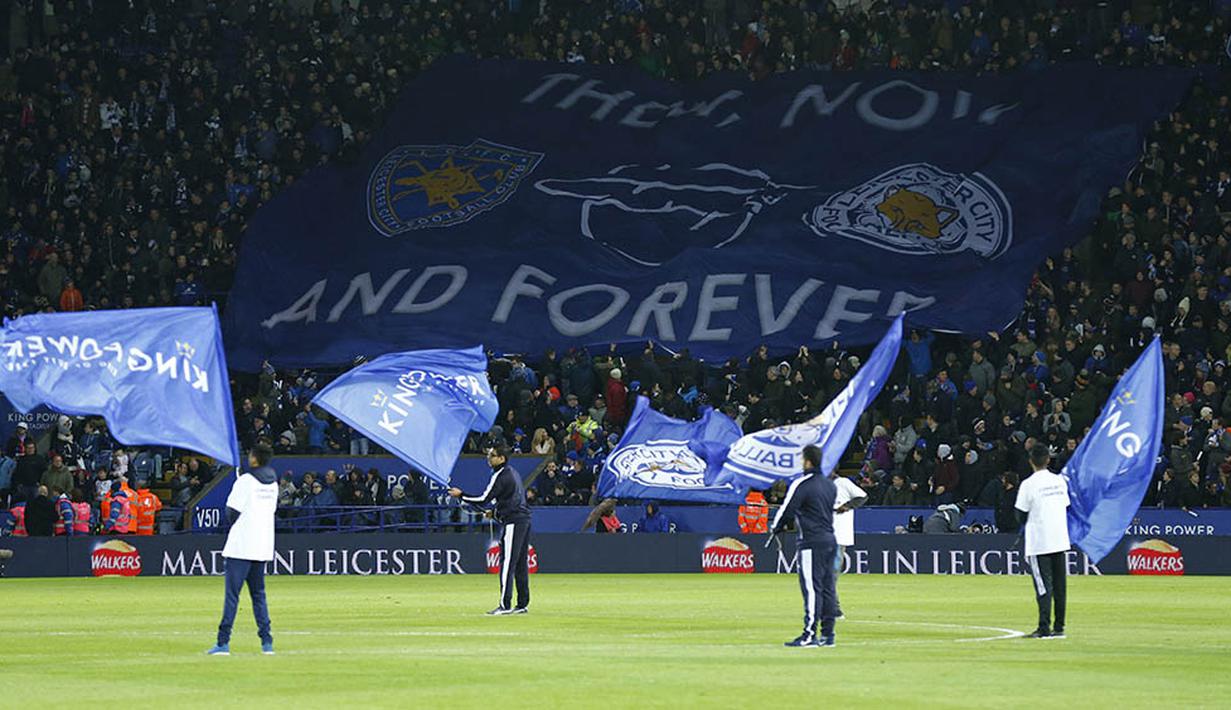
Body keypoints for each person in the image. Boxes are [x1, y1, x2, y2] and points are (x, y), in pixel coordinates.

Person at [208, 443, 278, 656]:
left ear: (255, 459)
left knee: (232, 595)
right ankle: (266, 642)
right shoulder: (273, 483)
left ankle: (223, 642)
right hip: (262, 544)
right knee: (259, 595)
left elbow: (231, 512)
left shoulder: (246, 481)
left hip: (241, 546)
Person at [449, 445, 532, 615]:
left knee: (508, 563)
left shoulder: (500, 475)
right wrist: (494, 512)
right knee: (520, 564)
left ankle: (505, 605)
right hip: (523, 520)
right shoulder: (512, 473)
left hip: (513, 522)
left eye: (493, 455)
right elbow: (512, 498)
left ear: (502, 458)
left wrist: (461, 495)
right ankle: (522, 603)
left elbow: (483, 498)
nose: (489, 458)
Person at [770, 444, 838, 648]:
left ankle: (809, 635)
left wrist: (776, 527)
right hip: (829, 539)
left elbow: (787, 510)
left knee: (811, 588)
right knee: (828, 588)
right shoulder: (830, 485)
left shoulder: (802, 484)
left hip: (811, 541)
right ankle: (828, 635)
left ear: (808, 461)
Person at [1014, 443, 1070, 639]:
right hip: (1060, 539)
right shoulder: (1060, 481)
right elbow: (1065, 505)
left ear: (1031, 461)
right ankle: (1059, 626)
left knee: (1043, 585)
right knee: (1060, 586)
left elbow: (1020, 515)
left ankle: (1044, 627)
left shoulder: (1028, 484)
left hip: (1040, 541)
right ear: (1048, 459)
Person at [831, 473, 868, 618]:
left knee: (831, 573)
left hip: (839, 534)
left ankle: (833, 607)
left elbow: (862, 496)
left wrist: (847, 506)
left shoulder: (844, 482)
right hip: (822, 534)